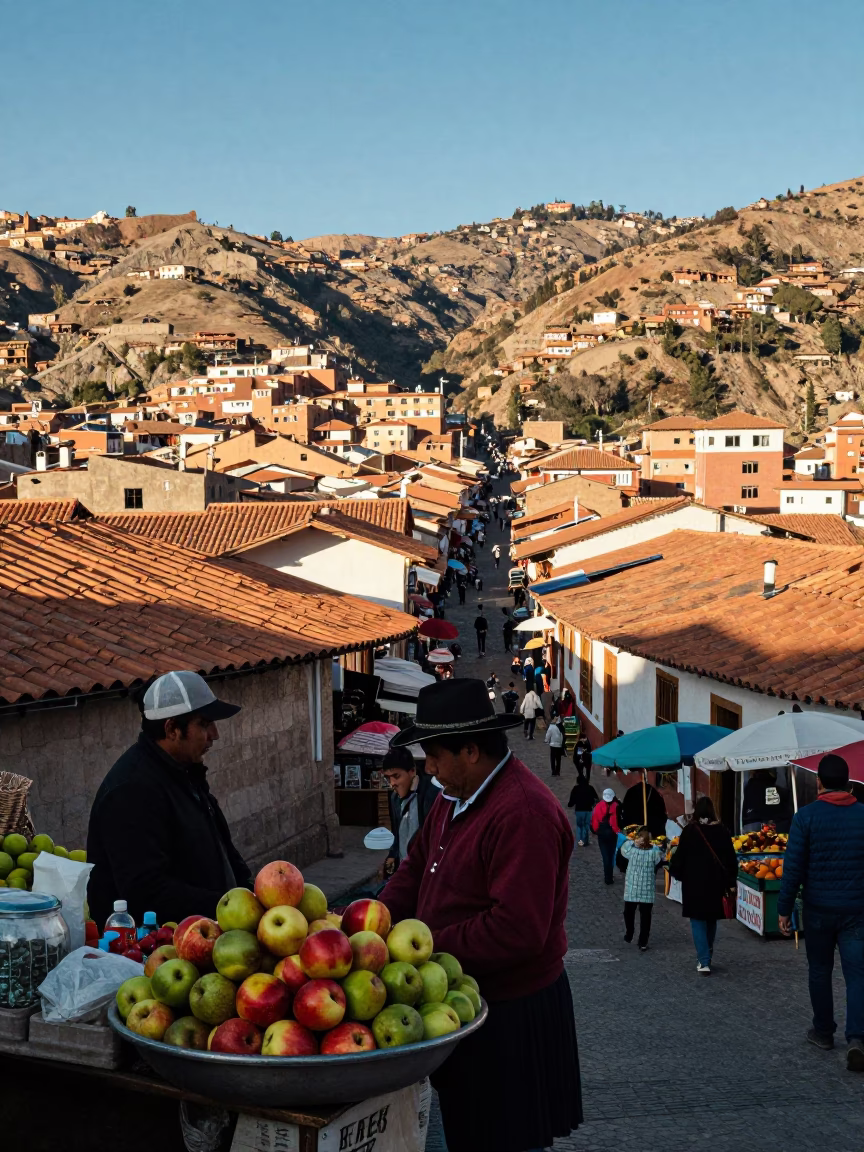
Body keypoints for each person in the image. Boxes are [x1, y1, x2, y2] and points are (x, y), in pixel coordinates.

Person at [381, 680, 582, 1151]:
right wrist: (369, 923)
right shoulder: (453, 796)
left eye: (433, 754)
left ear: (470, 751)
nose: (426, 767)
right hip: (456, 999)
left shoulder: (523, 813)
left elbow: (517, 929)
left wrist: (421, 948)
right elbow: (414, 869)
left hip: (510, 1015)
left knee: (504, 1140)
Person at [87, 671, 251, 927]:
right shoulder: (131, 790)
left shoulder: (184, 772)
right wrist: (226, 905)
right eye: (205, 724)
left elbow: (223, 848)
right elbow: (147, 892)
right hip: (162, 948)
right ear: (172, 729)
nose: (214, 734)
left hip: (215, 932)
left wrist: (251, 893)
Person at [778, 754, 864, 1069]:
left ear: (819, 783)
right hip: (857, 910)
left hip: (818, 910)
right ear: (849, 782)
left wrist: (784, 909)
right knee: (858, 976)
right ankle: (858, 1038)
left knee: (820, 970)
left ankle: (824, 1032)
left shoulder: (806, 818)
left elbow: (793, 869)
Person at [667, 796, 737, 975]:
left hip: (694, 884)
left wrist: (677, 873)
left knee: (698, 920)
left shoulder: (690, 831)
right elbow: (731, 859)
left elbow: (679, 858)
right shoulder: (722, 831)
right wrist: (730, 882)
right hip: (716, 883)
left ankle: (704, 959)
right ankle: (707, 954)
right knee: (711, 919)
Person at [381, 746, 438, 879]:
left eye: (396, 776)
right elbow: (397, 832)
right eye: (388, 778)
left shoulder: (431, 795)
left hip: (425, 870)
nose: (392, 784)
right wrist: (392, 855)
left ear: (412, 771)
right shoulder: (394, 798)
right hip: (404, 868)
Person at [620, 826, 665, 951]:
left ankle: (630, 932)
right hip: (647, 889)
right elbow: (659, 857)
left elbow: (624, 849)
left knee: (629, 913)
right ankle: (643, 941)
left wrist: (632, 842)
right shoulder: (654, 852)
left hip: (632, 889)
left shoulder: (632, 852)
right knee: (645, 917)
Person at [742, 768, 792, 833]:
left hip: (752, 821)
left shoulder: (749, 786)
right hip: (778, 822)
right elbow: (782, 776)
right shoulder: (777, 786)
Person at [591, 788, 623, 884]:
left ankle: (607, 877)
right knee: (611, 854)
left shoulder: (598, 806)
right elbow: (618, 822)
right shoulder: (616, 806)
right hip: (613, 834)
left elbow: (594, 821)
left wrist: (596, 831)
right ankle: (610, 875)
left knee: (605, 856)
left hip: (602, 834)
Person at [568, 777, 598, 847]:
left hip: (579, 810)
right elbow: (596, 797)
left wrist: (570, 804)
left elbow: (572, 800)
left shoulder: (575, 789)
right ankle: (586, 841)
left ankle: (580, 841)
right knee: (586, 825)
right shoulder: (590, 788)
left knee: (579, 826)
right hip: (588, 809)